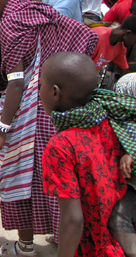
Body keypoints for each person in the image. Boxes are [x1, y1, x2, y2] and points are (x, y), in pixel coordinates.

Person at [0, 0, 98, 256]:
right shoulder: (35, 10)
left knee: (20, 177)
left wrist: (2, 130)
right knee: (57, 178)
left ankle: (24, 246)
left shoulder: (11, 22)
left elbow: (17, 81)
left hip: (29, 113)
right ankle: (63, 238)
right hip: (55, 110)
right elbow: (85, 36)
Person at [41, 52, 134, 256]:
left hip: (92, 248)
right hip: (117, 240)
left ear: (55, 93)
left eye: (41, 85)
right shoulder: (109, 120)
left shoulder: (61, 146)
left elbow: (73, 220)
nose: (39, 91)